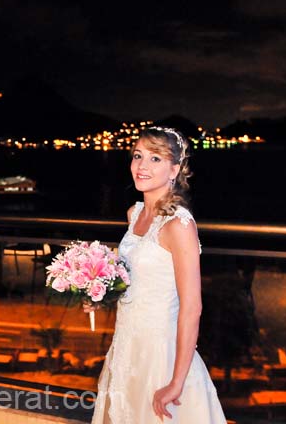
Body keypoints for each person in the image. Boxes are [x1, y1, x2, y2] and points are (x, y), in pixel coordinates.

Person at [89, 127, 227, 423]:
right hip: (126, 347)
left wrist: (176, 382)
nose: (141, 166)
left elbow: (192, 307)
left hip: (160, 354)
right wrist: (100, 295)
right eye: (138, 156)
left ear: (175, 169)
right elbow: (134, 281)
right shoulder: (133, 214)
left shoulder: (179, 225)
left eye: (155, 159)